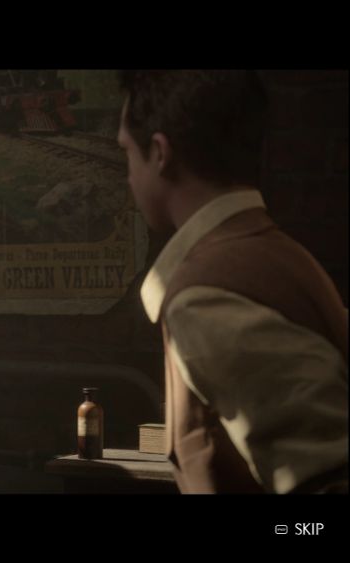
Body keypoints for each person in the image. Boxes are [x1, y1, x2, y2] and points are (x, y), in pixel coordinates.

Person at [117, 70, 348, 493]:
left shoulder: (206, 295)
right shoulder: (274, 251)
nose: (129, 176)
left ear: (160, 153)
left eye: (128, 153)